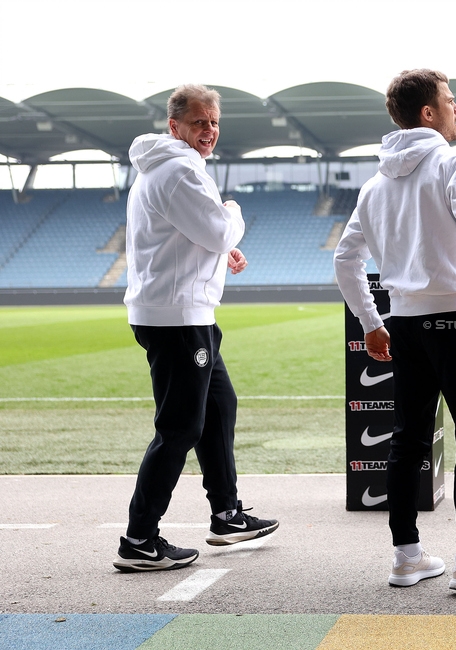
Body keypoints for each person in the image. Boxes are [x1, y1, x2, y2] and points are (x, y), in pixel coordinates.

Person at [334, 69, 456, 593]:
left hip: (405, 324)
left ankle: (407, 556)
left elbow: (345, 258)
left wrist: (372, 322)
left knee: (408, 439)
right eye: (450, 100)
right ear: (428, 112)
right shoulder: (455, 162)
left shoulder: (376, 184)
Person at [113, 84, 278, 573]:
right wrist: (231, 213)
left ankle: (226, 514)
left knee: (219, 406)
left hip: (185, 313)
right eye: (199, 122)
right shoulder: (179, 170)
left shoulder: (164, 168)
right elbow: (218, 228)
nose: (209, 131)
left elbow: (186, 239)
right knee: (179, 427)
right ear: (175, 126)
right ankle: (139, 539)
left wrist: (219, 251)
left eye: (214, 122)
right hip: (178, 317)